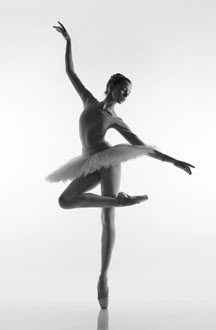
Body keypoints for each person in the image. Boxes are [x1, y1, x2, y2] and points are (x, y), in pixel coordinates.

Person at [46, 22, 195, 309]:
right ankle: (120, 202)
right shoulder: (88, 101)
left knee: (106, 218)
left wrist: (173, 161)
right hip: (88, 163)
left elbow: (140, 145)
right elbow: (71, 73)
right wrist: (68, 41)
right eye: (123, 89)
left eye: (129, 93)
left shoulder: (115, 119)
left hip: (109, 160)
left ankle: (103, 278)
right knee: (65, 201)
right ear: (112, 86)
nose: (126, 95)